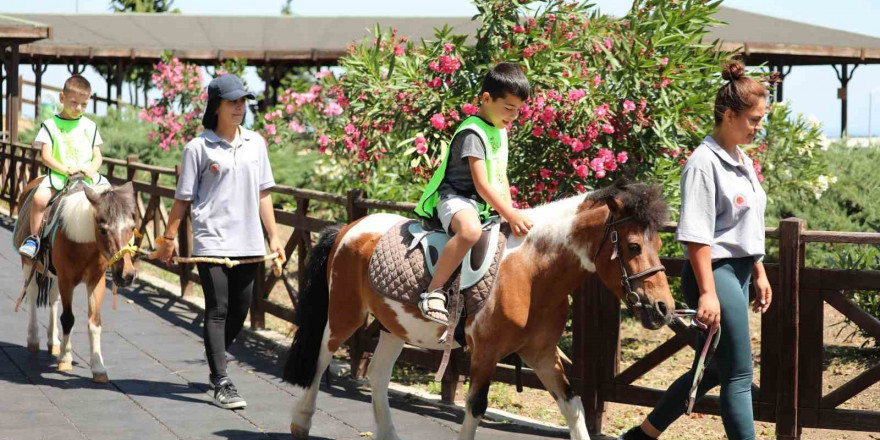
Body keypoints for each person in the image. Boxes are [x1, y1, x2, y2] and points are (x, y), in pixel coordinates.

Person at [617, 60, 773, 440]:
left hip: (737, 272)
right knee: (739, 374)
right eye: (753, 119)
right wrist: (707, 292)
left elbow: (745, 225)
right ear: (729, 114)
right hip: (713, 273)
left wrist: (758, 270)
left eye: (760, 119)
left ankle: (642, 435)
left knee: (717, 370)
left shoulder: (742, 160)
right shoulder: (704, 163)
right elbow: (696, 236)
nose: (758, 127)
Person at [154, 74, 285, 410]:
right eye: (233, 102)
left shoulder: (256, 143)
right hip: (212, 241)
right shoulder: (197, 148)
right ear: (216, 106)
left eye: (243, 101)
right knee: (218, 308)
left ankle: (215, 355)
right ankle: (221, 380)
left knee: (239, 311)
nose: (240, 107)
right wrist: (169, 238)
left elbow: (264, 194)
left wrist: (275, 238)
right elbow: (182, 199)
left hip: (250, 243)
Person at [413, 62, 533, 325]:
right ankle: (433, 292)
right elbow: (481, 184)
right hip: (456, 198)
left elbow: (501, 176)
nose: (513, 116)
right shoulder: (473, 132)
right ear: (487, 99)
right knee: (469, 231)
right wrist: (509, 213)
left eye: (518, 110)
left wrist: (511, 212)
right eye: (508, 108)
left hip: (483, 205)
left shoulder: (499, 130)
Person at [19, 75, 106, 258]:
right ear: (62, 98)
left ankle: (118, 245)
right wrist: (65, 169)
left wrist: (92, 168)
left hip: (88, 176)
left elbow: (98, 155)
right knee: (40, 198)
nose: (78, 108)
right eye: (74, 103)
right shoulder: (50, 126)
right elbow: (46, 156)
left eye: (84, 104)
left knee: (112, 199)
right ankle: (34, 238)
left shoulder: (90, 126)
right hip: (59, 176)